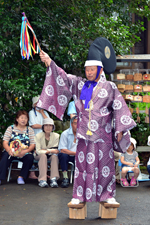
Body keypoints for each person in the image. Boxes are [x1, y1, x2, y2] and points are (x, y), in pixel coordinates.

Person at [38, 37, 136, 205]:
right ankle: (78, 195)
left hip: (103, 134)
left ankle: (107, 195)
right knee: (82, 166)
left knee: (105, 167)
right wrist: (49, 62)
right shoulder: (80, 84)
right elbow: (64, 78)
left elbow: (120, 108)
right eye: (87, 70)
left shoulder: (110, 87)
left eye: (92, 70)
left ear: (100, 70)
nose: (89, 73)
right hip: (84, 134)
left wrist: (120, 129)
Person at [0, 110, 35, 185]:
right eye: (21, 118)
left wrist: (24, 152)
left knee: (30, 157)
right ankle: (0, 177)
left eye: (25, 118)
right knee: (5, 156)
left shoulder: (30, 130)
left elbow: (32, 145)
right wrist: (9, 150)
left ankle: (21, 177)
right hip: (11, 151)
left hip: (24, 152)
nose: (23, 120)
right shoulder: (11, 128)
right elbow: (5, 142)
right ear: (17, 119)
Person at [28, 95, 50, 179]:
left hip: (45, 138)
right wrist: (45, 126)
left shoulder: (45, 112)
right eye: (37, 102)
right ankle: (32, 174)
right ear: (34, 104)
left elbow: (49, 123)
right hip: (34, 138)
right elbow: (33, 125)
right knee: (34, 154)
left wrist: (43, 113)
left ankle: (43, 173)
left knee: (44, 155)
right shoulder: (31, 113)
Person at [34, 118, 60, 188]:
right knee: (43, 156)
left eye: (50, 125)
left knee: (55, 157)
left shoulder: (56, 136)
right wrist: (50, 150)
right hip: (39, 155)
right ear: (43, 127)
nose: (48, 127)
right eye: (46, 125)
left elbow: (55, 150)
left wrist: (45, 150)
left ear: (53, 127)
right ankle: (42, 180)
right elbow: (38, 151)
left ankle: (53, 179)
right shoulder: (38, 136)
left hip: (51, 155)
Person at [58, 115, 77, 188]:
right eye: (75, 123)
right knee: (63, 155)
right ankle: (65, 178)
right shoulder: (65, 133)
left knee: (81, 157)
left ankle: (79, 178)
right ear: (71, 124)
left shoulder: (82, 135)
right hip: (67, 155)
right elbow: (63, 150)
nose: (77, 126)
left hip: (77, 156)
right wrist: (76, 153)